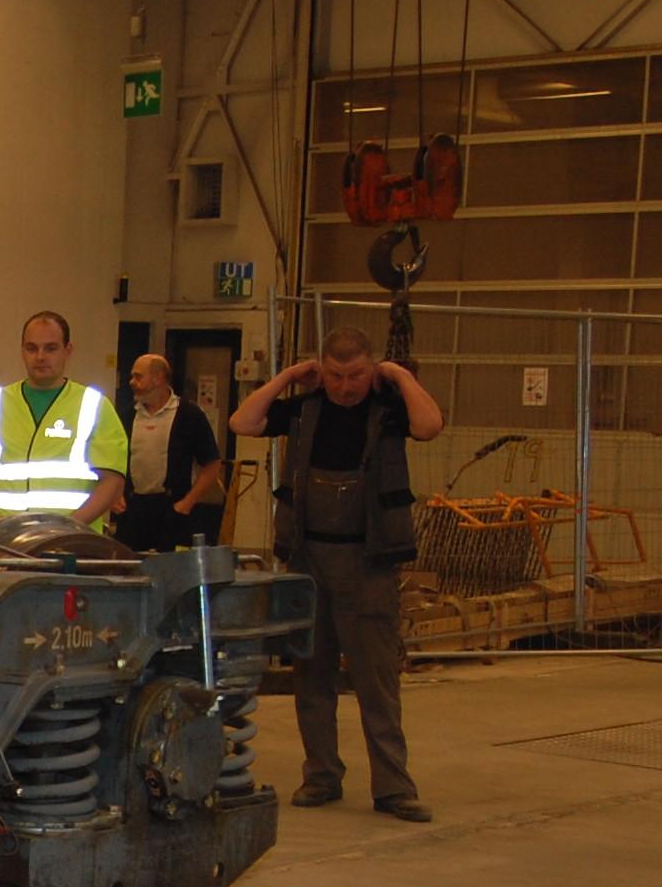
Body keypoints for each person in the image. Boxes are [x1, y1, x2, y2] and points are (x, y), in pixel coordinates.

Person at [228, 327, 445, 823]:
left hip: (369, 564)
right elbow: (243, 421)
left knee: (376, 682)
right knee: (312, 676)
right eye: (335, 376)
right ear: (321, 372)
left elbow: (430, 425)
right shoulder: (303, 410)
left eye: (356, 375)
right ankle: (321, 776)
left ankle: (393, 787)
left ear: (371, 370)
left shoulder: (389, 410)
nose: (345, 387)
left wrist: (398, 377)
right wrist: (287, 376)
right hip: (309, 560)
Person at [0, 310, 128, 529]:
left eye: (51, 348)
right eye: (32, 348)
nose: (40, 357)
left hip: (73, 540)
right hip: (5, 539)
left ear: (68, 350)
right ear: (22, 351)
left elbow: (112, 480)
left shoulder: (94, 406)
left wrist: (71, 525)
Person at [112, 353, 224, 551]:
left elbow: (212, 464)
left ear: (158, 378)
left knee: (170, 565)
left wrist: (187, 502)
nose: (132, 382)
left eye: (138, 377)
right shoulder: (127, 416)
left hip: (171, 508)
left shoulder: (189, 415)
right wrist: (115, 495)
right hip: (133, 508)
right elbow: (112, 461)